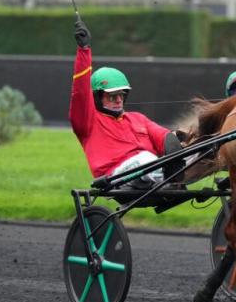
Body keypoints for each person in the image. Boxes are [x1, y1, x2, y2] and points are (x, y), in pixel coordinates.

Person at [69, 20, 182, 187]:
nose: (118, 100)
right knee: (147, 159)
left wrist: (175, 145)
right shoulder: (87, 122)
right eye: (112, 96)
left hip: (148, 171)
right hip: (115, 177)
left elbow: (162, 135)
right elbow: (80, 91)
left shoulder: (137, 118)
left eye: (121, 95)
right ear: (97, 97)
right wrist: (84, 50)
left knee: (191, 152)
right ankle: (169, 180)